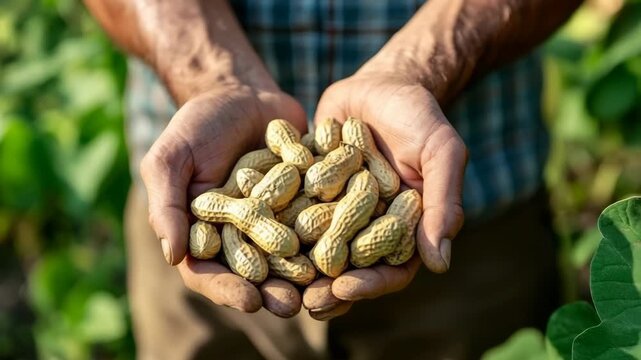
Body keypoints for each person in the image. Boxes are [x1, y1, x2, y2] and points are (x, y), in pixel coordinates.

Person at [85, 0, 582, 358]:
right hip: (196, 189)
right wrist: (211, 76)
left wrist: (419, 69)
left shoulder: (353, 183)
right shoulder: (241, 208)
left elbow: (363, 196)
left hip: (466, 222)